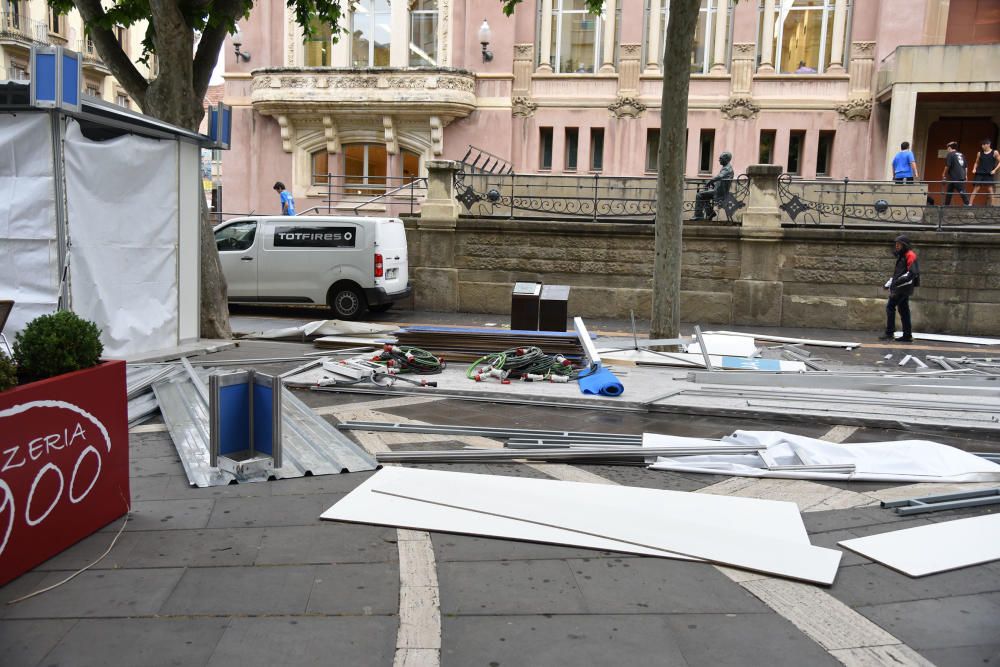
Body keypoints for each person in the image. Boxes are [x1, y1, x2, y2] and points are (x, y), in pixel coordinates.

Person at [879, 235, 919, 343]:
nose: (896, 246)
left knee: (890, 307)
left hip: (902, 288)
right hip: (901, 287)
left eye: (898, 244)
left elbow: (912, 273)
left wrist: (896, 283)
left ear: (904, 245)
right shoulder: (903, 255)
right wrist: (889, 284)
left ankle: (889, 333)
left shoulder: (910, 255)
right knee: (904, 310)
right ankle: (907, 335)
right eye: (896, 244)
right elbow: (898, 274)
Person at [693, 152, 734, 221]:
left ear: (726, 159)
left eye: (721, 159)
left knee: (699, 195)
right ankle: (710, 213)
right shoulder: (727, 167)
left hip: (719, 193)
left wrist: (710, 181)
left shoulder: (727, 169)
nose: (719, 160)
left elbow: (719, 176)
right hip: (720, 191)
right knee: (704, 195)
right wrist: (713, 183)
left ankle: (698, 215)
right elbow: (721, 179)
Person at [970, 138, 999, 206]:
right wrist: (974, 169)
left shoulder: (995, 152)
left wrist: (994, 170)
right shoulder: (979, 153)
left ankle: (993, 205)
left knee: (990, 189)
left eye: (983, 145)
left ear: (988, 144)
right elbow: (976, 162)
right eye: (982, 145)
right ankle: (970, 204)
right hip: (980, 172)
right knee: (976, 188)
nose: (982, 146)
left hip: (989, 173)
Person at [941, 141, 970, 206]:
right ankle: (946, 205)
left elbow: (947, 165)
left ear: (950, 148)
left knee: (961, 190)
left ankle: (967, 204)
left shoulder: (950, 154)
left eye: (947, 148)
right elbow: (966, 166)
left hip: (955, 176)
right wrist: (966, 175)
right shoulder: (961, 154)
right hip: (959, 176)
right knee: (949, 191)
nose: (947, 149)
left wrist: (943, 174)